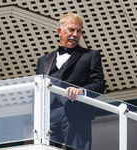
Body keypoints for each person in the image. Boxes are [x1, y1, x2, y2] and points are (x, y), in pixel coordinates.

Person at [36, 13, 105, 150]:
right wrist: (37, 119)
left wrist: (81, 91)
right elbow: (37, 90)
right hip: (48, 117)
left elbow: (99, 84)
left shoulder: (90, 56)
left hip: (77, 113)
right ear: (59, 31)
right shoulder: (44, 60)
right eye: (71, 30)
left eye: (79, 31)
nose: (75, 34)